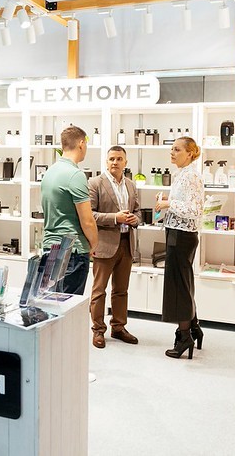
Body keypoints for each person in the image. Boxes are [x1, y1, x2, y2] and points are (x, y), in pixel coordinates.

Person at [155, 136, 204, 360]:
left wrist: (168, 203)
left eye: (177, 149)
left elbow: (194, 210)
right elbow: (185, 203)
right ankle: (193, 328)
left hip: (182, 236)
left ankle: (184, 336)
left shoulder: (191, 176)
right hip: (178, 233)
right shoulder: (182, 174)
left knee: (179, 287)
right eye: (172, 149)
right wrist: (169, 200)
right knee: (184, 284)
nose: (172, 153)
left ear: (190, 153)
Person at [88, 146, 141, 348]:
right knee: (99, 291)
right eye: (111, 159)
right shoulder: (95, 183)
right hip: (104, 244)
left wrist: (135, 219)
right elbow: (90, 215)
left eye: (119, 159)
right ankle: (98, 330)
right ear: (106, 161)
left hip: (126, 243)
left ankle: (118, 327)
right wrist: (115, 218)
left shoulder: (131, 185)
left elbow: (138, 212)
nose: (115, 162)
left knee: (121, 290)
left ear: (125, 163)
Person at [40, 126, 98, 295]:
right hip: (72, 252)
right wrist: (93, 245)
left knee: (50, 302)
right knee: (70, 305)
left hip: (50, 248)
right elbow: (87, 221)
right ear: (81, 143)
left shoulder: (50, 172)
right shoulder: (75, 175)